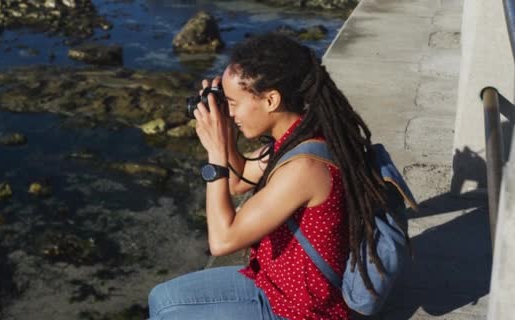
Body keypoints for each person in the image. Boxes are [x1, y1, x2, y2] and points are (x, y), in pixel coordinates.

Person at [148, 33, 393, 320]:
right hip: (274, 284)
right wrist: (225, 131)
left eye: (234, 103)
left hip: (298, 310)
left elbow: (222, 241)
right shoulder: (297, 138)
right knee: (160, 298)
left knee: (168, 314)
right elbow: (238, 181)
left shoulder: (304, 168)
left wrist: (215, 154)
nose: (231, 111)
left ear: (271, 100)